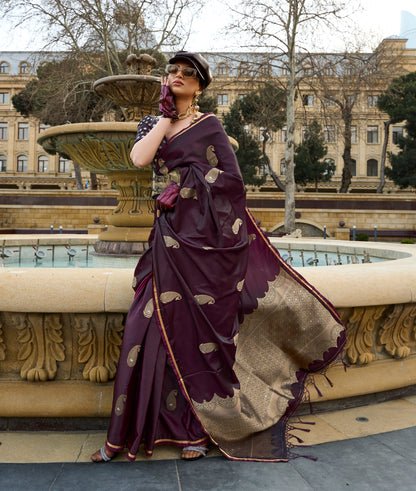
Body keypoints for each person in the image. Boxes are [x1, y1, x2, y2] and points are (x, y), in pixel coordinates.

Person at [91, 52, 345, 463]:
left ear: (199, 86)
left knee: (201, 338)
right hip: (170, 240)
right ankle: (135, 429)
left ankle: (196, 430)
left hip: (206, 244)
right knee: (148, 327)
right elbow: (139, 160)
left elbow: (231, 185)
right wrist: (163, 118)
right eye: (171, 72)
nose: (176, 77)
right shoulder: (152, 124)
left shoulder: (210, 126)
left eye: (186, 74)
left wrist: (191, 185)